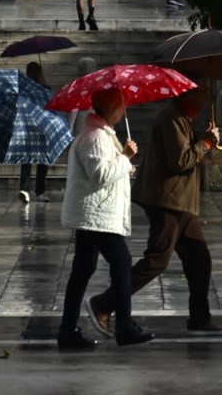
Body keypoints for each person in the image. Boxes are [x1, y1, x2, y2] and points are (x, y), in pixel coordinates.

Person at [87, 84, 222, 337]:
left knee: (199, 259)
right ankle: (103, 303)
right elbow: (181, 160)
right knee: (156, 261)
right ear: (190, 93)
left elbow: (188, 153)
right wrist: (206, 143)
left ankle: (199, 318)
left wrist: (205, 140)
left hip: (181, 203)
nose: (208, 98)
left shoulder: (182, 118)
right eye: (204, 93)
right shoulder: (171, 118)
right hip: (168, 201)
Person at [58, 88, 154, 349]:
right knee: (121, 261)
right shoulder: (95, 137)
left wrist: (124, 163)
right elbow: (99, 174)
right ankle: (124, 326)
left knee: (83, 269)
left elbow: (105, 169)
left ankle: (68, 330)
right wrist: (125, 157)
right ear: (110, 106)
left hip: (93, 212)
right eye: (121, 105)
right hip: (96, 214)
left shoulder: (100, 134)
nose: (124, 110)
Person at [19, 61, 51, 204]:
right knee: (42, 161)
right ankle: (40, 191)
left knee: (26, 160)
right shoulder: (45, 89)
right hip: (42, 126)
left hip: (27, 127)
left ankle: (25, 189)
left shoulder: (24, 90)